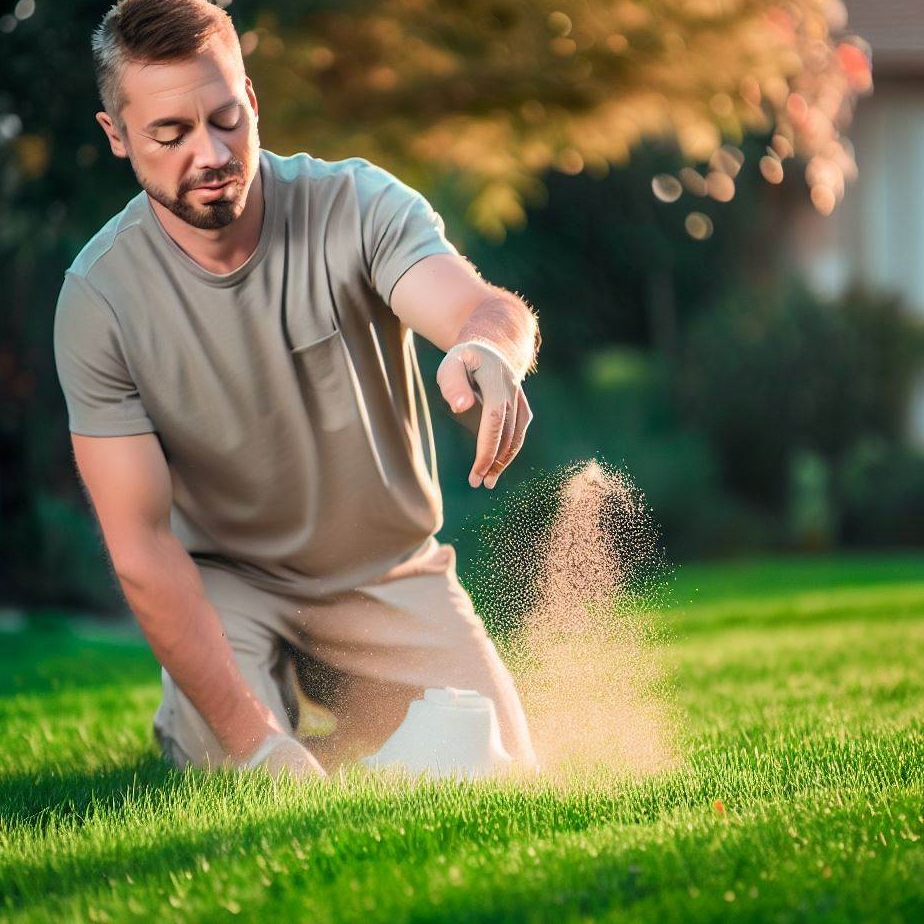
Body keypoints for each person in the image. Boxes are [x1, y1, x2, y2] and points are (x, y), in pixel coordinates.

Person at [52, 0, 541, 780]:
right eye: (170, 135)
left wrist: (487, 349)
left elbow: (480, 307)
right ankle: (211, 716)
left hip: (390, 572)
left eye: (224, 119)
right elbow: (140, 545)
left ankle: (354, 708)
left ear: (251, 100)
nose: (209, 153)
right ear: (117, 136)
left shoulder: (356, 205)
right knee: (239, 764)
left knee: (496, 763)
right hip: (230, 586)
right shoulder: (99, 299)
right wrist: (259, 748)